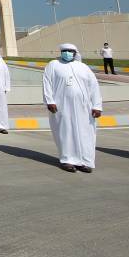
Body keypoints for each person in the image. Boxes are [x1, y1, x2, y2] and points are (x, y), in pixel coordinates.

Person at [43, 43, 102, 173]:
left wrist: (97, 106)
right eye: (65, 51)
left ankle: (85, 161)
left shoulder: (83, 67)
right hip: (61, 106)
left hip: (84, 107)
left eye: (70, 51)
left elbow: (94, 87)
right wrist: (49, 101)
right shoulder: (53, 65)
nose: (67, 53)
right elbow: (47, 83)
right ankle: (67, 160)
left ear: (75, 53)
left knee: (85, 133)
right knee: (66, 132)